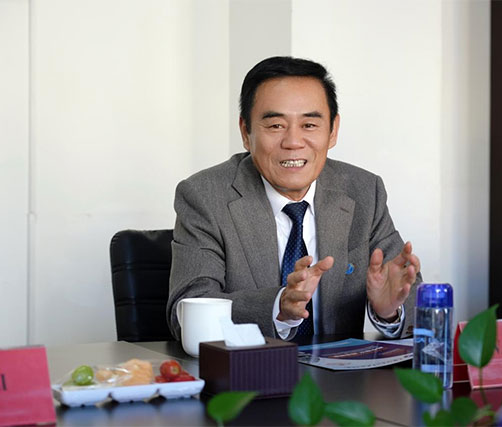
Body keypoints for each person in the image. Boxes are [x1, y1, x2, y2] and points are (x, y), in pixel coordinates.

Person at [167, 56, 421, 341]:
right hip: (248, 368)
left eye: (309, 125)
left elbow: (408, 294)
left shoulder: (363, 191)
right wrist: (278, 307)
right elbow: (186, 312)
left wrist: (389, 311)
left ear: (333, 130)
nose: (293, 142)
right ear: (245, 132)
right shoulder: (204, 196)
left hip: (338, 371)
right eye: (275, 126)